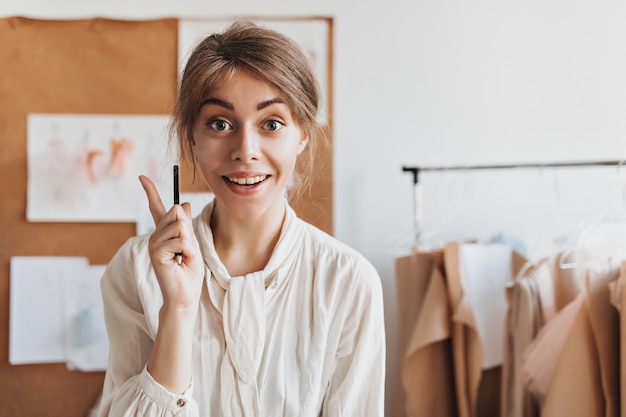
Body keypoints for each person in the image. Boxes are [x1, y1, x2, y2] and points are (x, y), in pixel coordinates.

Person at [98, 20, 386, 417]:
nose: (245, 151)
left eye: (271, 124)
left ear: (301, 134)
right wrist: (178, 312)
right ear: (193, 138)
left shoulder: (348, 281)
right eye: (220, 123)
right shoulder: (135, 270)